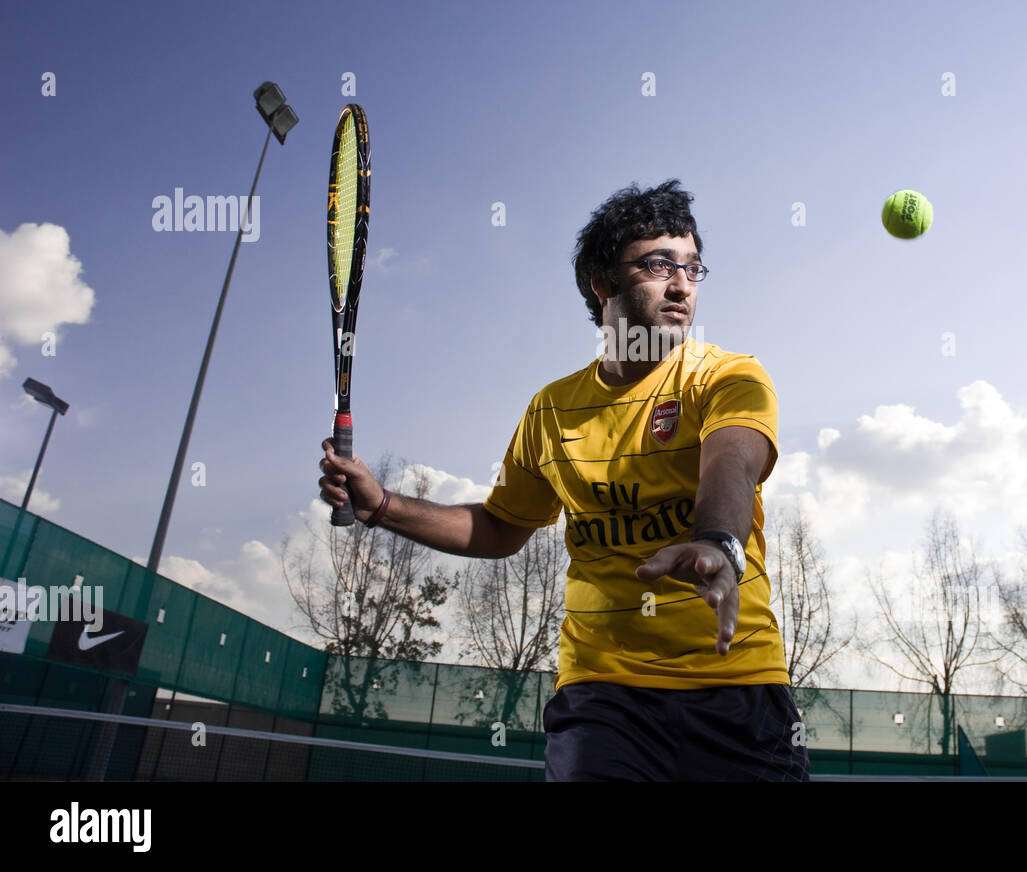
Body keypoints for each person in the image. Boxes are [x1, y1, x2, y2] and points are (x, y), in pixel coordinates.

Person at [318, 179, 808, 781]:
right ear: (603, 282)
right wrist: (383, 506)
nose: (681, 284)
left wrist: (717, 540)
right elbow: (499, 527)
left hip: (740, 685)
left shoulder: (732, 376)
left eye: (692, 267)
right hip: (604, 696)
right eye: (658, 265)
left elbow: (733, 458)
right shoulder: (551, 410)